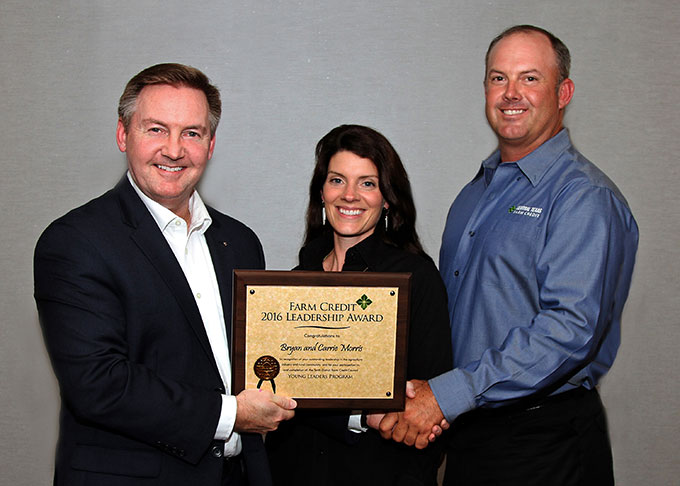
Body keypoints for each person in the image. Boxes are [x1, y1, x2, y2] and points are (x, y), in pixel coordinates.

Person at [377, 25, 639, 485]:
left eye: (530, 78)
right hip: (468, 434)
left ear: (564, 92)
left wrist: (443, 396)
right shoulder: (474, 194)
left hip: (543, 443)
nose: (511, 93)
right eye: (498, 78)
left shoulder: (583, 198)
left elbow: (569, 331)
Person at [34, 63, 296, 486]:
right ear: (124, 135)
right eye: (156, 129)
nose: (174, 150)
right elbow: (98, 383)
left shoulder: (240, 241)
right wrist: (232, 415)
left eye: (191, 133)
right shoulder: (74, 242)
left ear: (210, 145)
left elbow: (260, 363)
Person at [265, 124, 452, 485]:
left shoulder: (416, 278)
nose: (350, 195)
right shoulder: (292, 282)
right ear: (321, 192)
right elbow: (275, 389)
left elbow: (429, 406)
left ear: (386, 198)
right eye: (337, 180)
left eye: (367, 183)